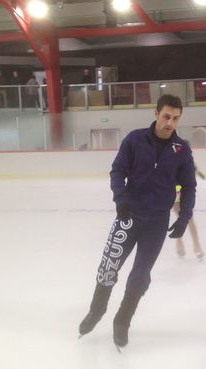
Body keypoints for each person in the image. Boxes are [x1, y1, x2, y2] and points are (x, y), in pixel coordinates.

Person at [78, 94, 197, 349]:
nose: (170, 123)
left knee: (140, 275)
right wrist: (120, 199)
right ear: (156, 113)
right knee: (109, 265)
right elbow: (117, 170)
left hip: (156, 223)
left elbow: (189, 186)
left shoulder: (181, 149)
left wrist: (184, 217)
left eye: (175, 118)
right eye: (166, 116)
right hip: (128, 216)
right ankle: (96, 310)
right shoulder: (135, 139)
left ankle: (122, 321)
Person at [172, 167, 205, 259]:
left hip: (185, 187)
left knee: (188, 216)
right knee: (181, 216)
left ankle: (196, 244)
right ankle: (180, 241)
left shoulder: (185, 156)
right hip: (173, 187)